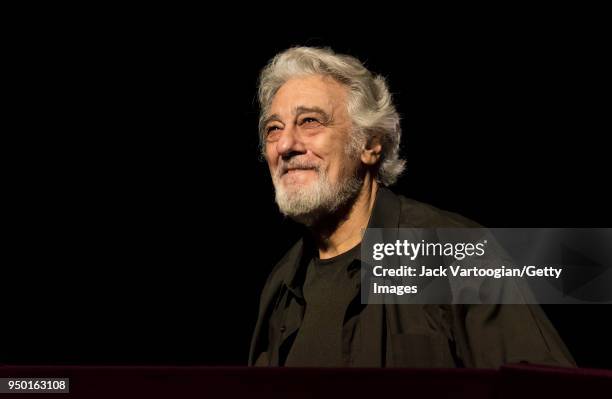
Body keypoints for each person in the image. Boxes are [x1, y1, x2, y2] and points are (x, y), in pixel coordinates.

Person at [249, 46, 575, 368]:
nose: (286, 145)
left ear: (371, 144)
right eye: (273, 128)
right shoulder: (281, 284)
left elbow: (548, 387)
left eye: (310, 121)